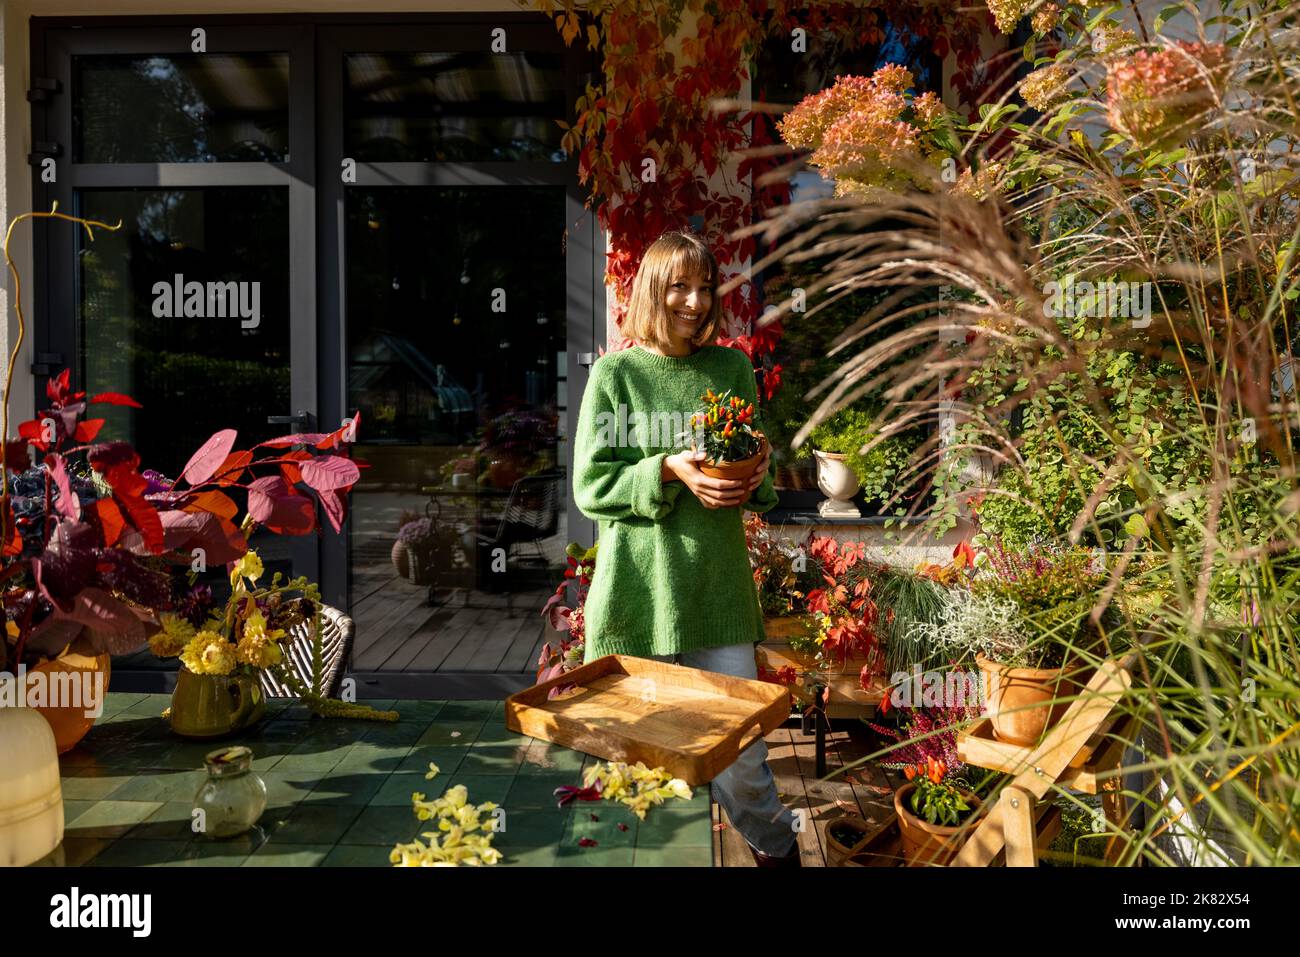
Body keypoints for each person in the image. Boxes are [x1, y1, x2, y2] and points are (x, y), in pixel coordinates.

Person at [572, 230, 801, 867]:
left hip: (717, 594)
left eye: (705, 287)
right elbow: (591, 487)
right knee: (626, 763)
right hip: (636, 599)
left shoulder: (730, 369)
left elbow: (757, 474)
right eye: (680, 286)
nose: (696, 301)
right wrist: (667, 468)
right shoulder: (616, 376)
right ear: (653, 289)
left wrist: (755, 477)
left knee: (742, 764)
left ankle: (779, 855)